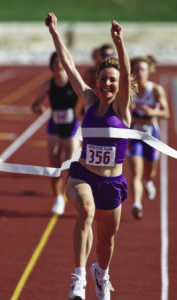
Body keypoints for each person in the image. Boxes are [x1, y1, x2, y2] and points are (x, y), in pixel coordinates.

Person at [45, 12, 137, 300]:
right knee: (86, 210)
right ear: (95, 81)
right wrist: (54, 32)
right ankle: (79, 277)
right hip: (82, 175)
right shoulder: (88, 99)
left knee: (106, 241)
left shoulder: (121, 109)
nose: (106, 84)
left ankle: (102, 273)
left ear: (119, 84)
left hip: (111, 184)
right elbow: (69, 65)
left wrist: (118, 43)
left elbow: (124, 68)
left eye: (112, 80)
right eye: (102, 79)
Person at [31, 52, 82, 215]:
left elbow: (86, 98)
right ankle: (58, 198)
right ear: (51, 66)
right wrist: (39, 109)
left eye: (61, 62)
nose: (58, 65)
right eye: (55, 63)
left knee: (71, 163)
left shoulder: (73, 83)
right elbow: (35, 105)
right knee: (54, 165)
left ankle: (73, 193)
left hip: (72, 126)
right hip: (54, 125)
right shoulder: (48, 84)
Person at [127, 55, 170, 219]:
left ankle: (148, 181)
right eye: (136, 69)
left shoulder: (156, 90)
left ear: (148, 71)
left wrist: (153, 113)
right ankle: (137, 204)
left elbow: (166, 113)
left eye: (142, 69)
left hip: (152, 134)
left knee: (149, 173)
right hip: (134, 134)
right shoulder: (129, 90)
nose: (139, 72)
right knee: (136, 171)